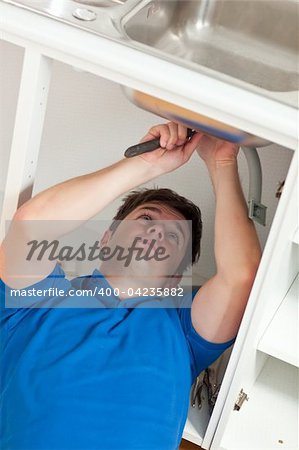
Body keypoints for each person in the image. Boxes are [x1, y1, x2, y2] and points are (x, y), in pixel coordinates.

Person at [0, 122, 261, 450]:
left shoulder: (183, 330)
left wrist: (222, 162)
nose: (156, 233)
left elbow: (241, 276)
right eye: (147, 219)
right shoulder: (39, 300)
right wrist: (146, 164)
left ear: (175, 277)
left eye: (172, 236)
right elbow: (30, 227)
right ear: (106, 240)